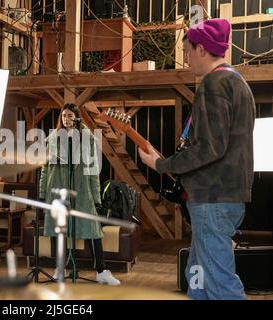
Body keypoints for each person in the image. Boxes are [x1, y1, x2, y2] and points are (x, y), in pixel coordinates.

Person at [138, 19, 255, 300]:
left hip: (213, 199)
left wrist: (160, 164)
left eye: (187, 51)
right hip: (225, 196)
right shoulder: (237, 83)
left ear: (201, 49)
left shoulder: (214, 84)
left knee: (219, 282)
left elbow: (209, 148)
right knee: (198, 276)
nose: (186, 58)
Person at [39, 103, 121, 286]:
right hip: (57, 190)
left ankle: (101, 271)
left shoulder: (87, 138)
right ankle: (60, 268)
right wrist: (43, 193)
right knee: (58, 231)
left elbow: (93, 170)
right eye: (63, 116)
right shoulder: (52, 138)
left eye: (69, 116)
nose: (66, 119)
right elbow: (44, 169)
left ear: (76, 117)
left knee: (93, 231)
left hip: (82, 192)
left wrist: (97, 198)